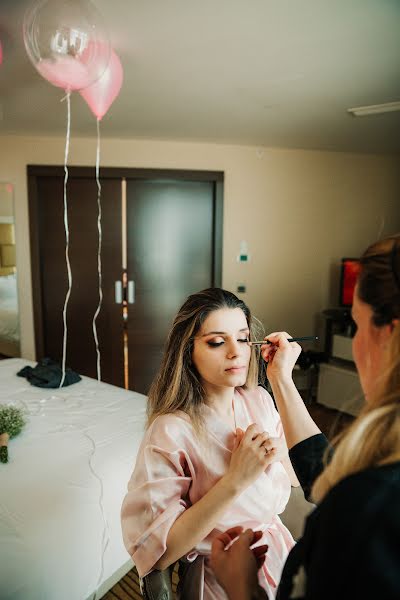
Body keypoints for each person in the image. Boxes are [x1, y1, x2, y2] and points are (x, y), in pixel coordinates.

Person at [210, 234, 400, 600]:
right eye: (217, 341)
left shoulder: (368, 512)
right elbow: (326, 477)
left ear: (388, 335)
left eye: (357, 325)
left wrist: (242, 589)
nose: (234, 352)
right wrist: (281, 378)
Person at [121, 288, 300, 599]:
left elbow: (299, 479)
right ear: (187, 351)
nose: (236, 352)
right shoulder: (171, 431)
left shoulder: (259, 399)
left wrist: (278, 449)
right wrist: (235, 480)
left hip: (282, 557)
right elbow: (159, 554)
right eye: (217, 342)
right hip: (220, 580)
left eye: (243, 338)